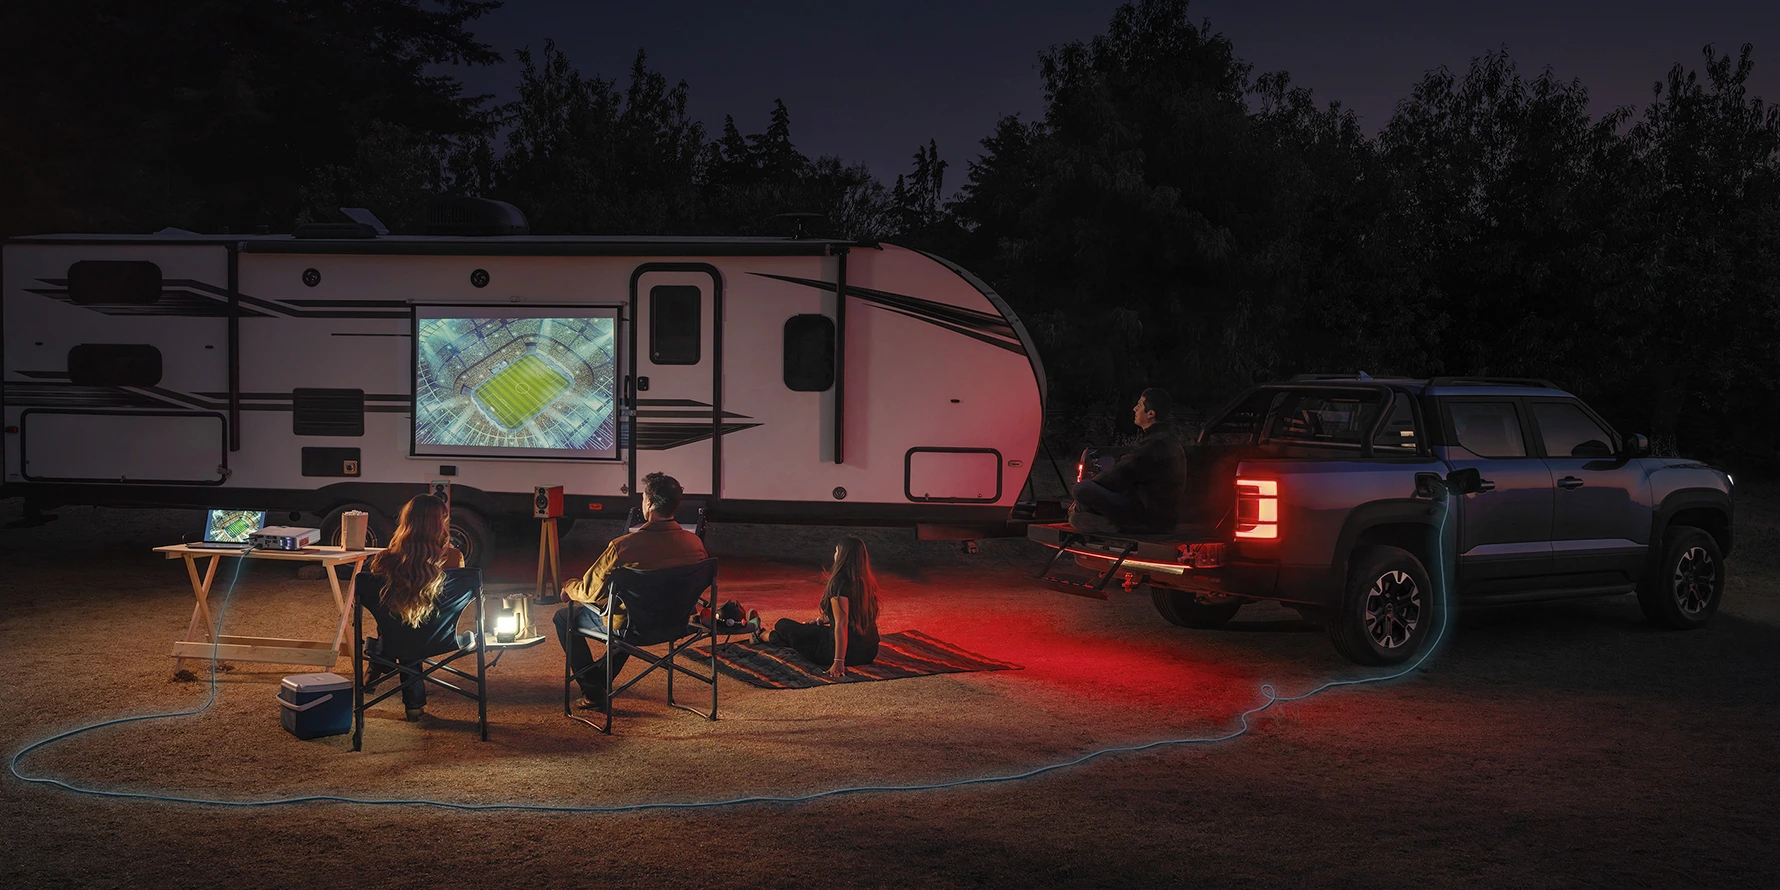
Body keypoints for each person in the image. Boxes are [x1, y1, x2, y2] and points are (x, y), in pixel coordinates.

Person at [554, 472, 708, 711]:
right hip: (676, 623)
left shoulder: (623, 547)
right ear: (676, 506)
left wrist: (568, 586)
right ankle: (597, 684)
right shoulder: (695, 545)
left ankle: (592, 688)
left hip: (634, 628)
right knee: (633, 608)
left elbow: (588, 592)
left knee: (565, 616)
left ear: (647, 503)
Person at [359, 494, 464, 720]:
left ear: (406, 522)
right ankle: (413, 705)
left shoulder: (384, 560)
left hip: (396, 637)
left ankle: (377, 664)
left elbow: (382, 609)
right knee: (412, 628)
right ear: (440, 523)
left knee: (397, 624)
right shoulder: (454, 558)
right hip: (439, 637)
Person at [750, 536, 881, 678]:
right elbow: (850, 615)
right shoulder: (867, 581)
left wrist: (838, 661)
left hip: (843, 653)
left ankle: (761, 635)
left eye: (836, 551)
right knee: (811, 630)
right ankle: (765, 635)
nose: (835, 554)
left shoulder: (839, 583)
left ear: (842, 556)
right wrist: (820, 620)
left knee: (782, 625)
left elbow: (841, 623)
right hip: (869, 652)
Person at [1070, 387, 1186, 534]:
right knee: (1089, 496)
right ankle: (1085, 518)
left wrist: (1090, 488)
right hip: (1158, 515)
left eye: (1139, 406)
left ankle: (1103, 524)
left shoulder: (1155, 444)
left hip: (1147, 516)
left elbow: (1119, 474)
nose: (1134, 409)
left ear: (1151, 414)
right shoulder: (1166, 439)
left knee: (1082, 489)